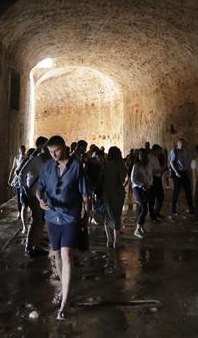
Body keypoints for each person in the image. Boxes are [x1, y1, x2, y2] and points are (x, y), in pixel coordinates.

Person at [36, 135, 91, 320]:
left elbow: (85, 193)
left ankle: (65, 301)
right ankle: (64, 288)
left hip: (70, 216)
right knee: (57, 254)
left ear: (64, 148)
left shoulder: (76, 167)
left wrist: (86, 215)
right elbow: (40, 187)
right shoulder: (46, 167)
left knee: (67, 254)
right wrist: (40, 199)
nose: (53, 155)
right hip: (52, 216)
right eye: (50, 152)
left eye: (56, 150)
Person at [19, 136, 51, 257]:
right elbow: (22, 173)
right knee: (37, 220)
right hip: (33, 194)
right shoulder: (35, 160)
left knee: (40, 221)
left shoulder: (51, 162)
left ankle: (35, 245)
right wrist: (25, 188)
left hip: (45, 196)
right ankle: (29, 246)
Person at [100, 146, 128, 248]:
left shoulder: (105, 165)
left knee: (107, 216)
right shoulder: (120, 165)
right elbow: (122, 180)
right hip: (117, 193)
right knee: (116, 216)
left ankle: (109, 241)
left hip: (106, 193)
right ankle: (117, 242)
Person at [130, 149, 153, 238]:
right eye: (140, 155)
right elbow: (133, 179)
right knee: (144, 208)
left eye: (143, 155)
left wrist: (149, 184)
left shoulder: (147, 165)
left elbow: (150, 175)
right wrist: (141, 185)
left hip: (146, 188)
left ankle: (141, 227)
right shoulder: (136, 165)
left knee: (141, 208)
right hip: (137, 188)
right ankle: (137, 229)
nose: (142, 157)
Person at [169, 138, 194, 217]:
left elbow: (186, 161)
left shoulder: (185, 151)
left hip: (184, 172)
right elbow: (171, 162)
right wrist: (176, 172)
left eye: (183, 143)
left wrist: (188, 171)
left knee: (188, 190)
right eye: (181, 143)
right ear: (178, 143)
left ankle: (191, 208)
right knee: (176, 191)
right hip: (178, 173)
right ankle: (173, 210)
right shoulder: (174, 151)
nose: (182, 144)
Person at [8, 145, 28, 233]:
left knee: (22, 196)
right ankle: (20, 211)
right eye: (21, 150)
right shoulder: (16, 158)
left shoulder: (27, 158)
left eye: (23, 150)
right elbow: (13, 168)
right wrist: (10, 177)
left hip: (24, 179)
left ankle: (23, 211)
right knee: (18, 195)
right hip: (17, 179)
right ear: (19, 150)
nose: (22, 151)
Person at [148, 144, 166, 221]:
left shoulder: (155, 158)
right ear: (155, 150)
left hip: (157, 178)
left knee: (160, 197)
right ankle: (153, 216)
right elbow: (151, 170)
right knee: (152, 199)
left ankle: (156, 212)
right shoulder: (150, 158)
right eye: (159, 151)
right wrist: (162, 169)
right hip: (153, 179)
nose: (160, 153)